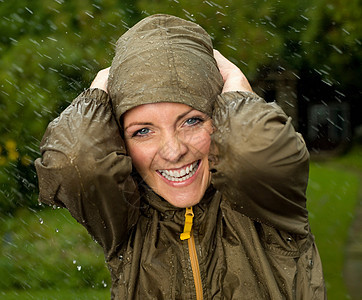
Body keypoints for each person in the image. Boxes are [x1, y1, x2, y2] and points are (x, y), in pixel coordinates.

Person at [35, 14, 326, 299]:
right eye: (143, 131)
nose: (173, 151)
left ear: (220, 117)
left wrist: (237, 86)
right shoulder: (124, 216)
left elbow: (253, 153)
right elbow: (74, 162)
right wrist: (99, 90)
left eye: (191, 121)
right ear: (118, 140)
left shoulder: (267, 203)